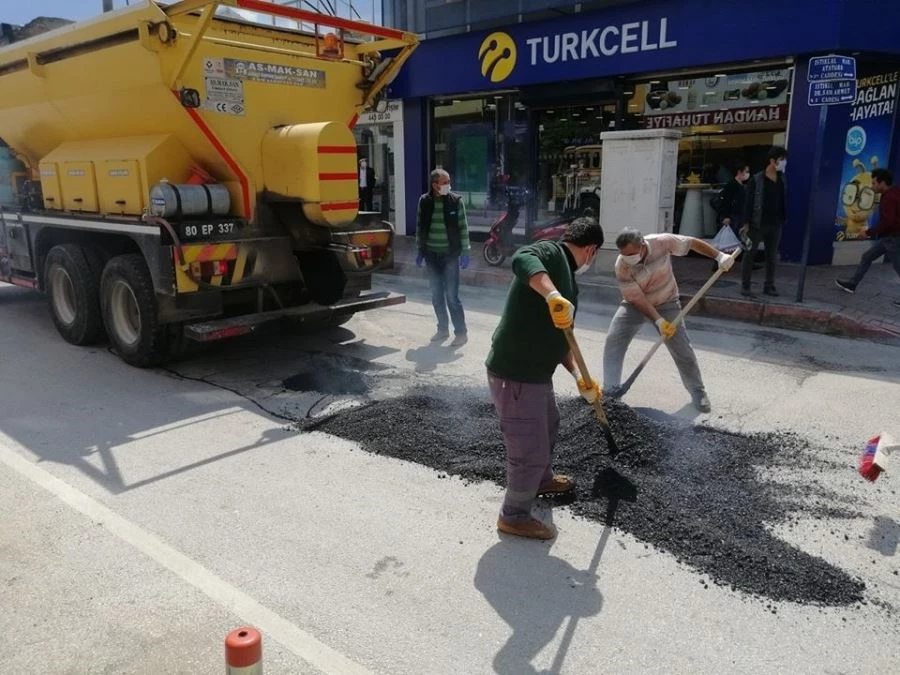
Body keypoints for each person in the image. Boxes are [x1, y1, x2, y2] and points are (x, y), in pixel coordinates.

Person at [485, 215, 605, 540]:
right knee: (528, 448)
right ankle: (513, 515)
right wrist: (552, 295)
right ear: (591, 250)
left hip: (536, 375)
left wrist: (581, 377)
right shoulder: (552, 254)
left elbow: (563, 339)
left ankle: (540, 481)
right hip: (516, 373)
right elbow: (522, 258)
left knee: (549, 425)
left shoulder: (570, 280)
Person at [603, 229, 734, 413]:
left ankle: (698, 392)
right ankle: (610, 390)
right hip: (636, 304)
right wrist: (658, 321)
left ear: (642, 246)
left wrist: (719, 255)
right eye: (624, 255)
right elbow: (637, 299)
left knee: (682, 350)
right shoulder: (622, 265)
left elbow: (692, 243)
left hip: (667, 302)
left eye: (632, 254)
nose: (628, 258)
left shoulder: (661, 242)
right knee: (614, 340)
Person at [415, 168, 471, 346]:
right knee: (436, 295)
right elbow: (419, 227)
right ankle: (442, 329)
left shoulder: (456, 201)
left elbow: (463, 227)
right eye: (445, 182)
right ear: (435, 185)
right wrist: (420, 250)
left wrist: (466, 251)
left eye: (448, 182)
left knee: (452, 297)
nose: (448, 185)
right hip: (431, 256)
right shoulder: (424, 201)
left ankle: (461, 333)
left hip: (450, 256)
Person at [835, 168, 900, 306]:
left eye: (874, 183)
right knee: (867, 256)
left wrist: (868, 232)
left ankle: (852, 284)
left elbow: (887, 222)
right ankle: (852, 284)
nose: (872, 186)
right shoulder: (895, 192)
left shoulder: (889, 198)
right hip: (890, 237)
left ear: (882, 182)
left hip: (893, 238)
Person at [741, 146, 788, 298]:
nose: (784, 163)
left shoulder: (782, 178)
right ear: (772, 161)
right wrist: (746, 222)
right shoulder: (757, 179)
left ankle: (769, 285)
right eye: (781, 160)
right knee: (750, 254)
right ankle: (745, 286)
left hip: (775, 222)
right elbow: (748, 201)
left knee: (771, 256)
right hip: (757, 222)